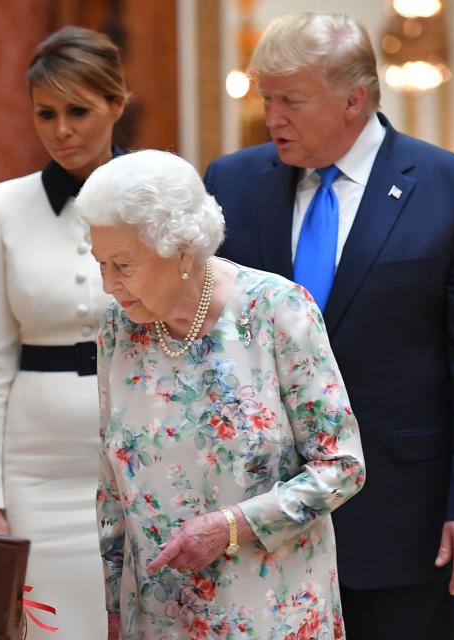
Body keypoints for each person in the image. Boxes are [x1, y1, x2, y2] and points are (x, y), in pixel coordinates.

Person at [203, 12, 454, 639]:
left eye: (291, 99)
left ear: (354, 98)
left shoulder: (453, 189)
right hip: (258, 513)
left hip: (402, 514)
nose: (273, 117)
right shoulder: (232, 182)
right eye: (267, 98)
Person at [75, 149, 365, 639]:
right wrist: (112, 604)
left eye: (123, 264)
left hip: (272, 608)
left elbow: (342, 467)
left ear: (183, 250)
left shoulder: (276, 312)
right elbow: (112, 483)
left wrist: (229, 526)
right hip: (159, 615)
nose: (108, 284)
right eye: (99, 262)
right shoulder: (119, 330)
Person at [0, 26, 127, 639]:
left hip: (137, 450)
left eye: (79, 111)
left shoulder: (161, 196)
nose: (62, 129)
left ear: (117, 104)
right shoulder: (2, 206)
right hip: (34, 466)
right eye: (46, 113)